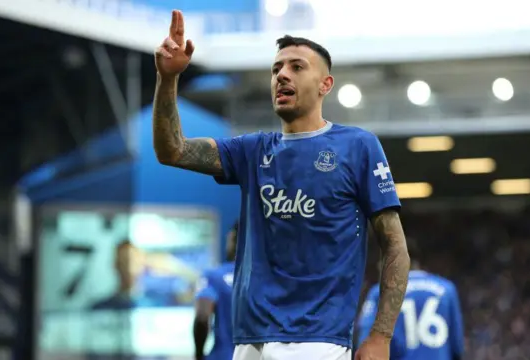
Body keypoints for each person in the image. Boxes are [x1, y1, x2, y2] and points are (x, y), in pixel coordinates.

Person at [153, 10, 410, 360]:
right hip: (249, 340)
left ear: (325, 85)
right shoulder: (251, 150)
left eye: (296, 67)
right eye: (276, 69)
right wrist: (167, 80)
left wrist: (381, 335)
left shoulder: (358, 146)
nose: (282, 76)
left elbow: (395, 246)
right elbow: (173, 150)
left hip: (316, 340)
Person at [357, 239, 464, 360]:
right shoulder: (447, 289)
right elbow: (457, 347)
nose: (378, 266)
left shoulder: (380, 293)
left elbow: (366, 346)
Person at [193, 221, 238, 360]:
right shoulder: (264, 278)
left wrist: (199, 354)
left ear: (232, 239)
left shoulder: (214, 275)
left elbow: (202, 317)